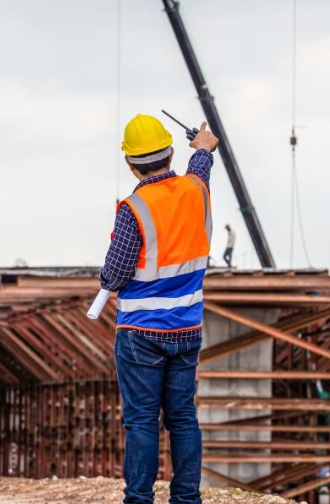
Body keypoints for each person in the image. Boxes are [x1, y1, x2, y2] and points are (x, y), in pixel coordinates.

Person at [99, 113, 218, 504]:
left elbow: (114, 275)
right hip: (187, 329)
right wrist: (202, 145)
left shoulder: (134, 208)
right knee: (183, 418)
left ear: (130, 164)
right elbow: (201, 162)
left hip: (141, 334)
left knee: (142, 422)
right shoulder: (196, 191)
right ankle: (186, 499)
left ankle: (139, 500)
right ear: (170, 152)